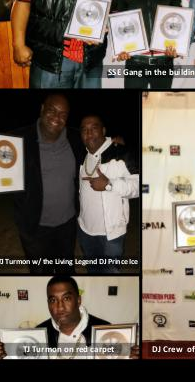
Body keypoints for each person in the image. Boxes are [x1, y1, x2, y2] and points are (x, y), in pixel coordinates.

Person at [11, 94, 83, 274]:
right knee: (40, 272)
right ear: (42, 109)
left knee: (66, 269)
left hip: (67, 225)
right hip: (35, 227)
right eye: (52, 110)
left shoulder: (76, 138)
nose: (57, 118)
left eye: (63, 114)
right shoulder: (18, 139)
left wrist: (115, 143)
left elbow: (98, 146)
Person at [0, 276, 139, 359]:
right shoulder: (38, 334)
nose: (59, 307)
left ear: (78, 300)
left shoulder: (104, 330)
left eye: (66, 298)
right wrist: (5, 353)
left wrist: (131, 356)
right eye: (53, 300)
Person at [78, 115, 139, 273]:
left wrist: (109, 184)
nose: (89, 133)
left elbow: (139, 186)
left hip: (110, 235)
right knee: (92, 270)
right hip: (85, 230)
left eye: (94, 128)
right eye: (84, 130)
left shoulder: (121, 153)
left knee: (110, 275)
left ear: (103, 130)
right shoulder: (81, 154)